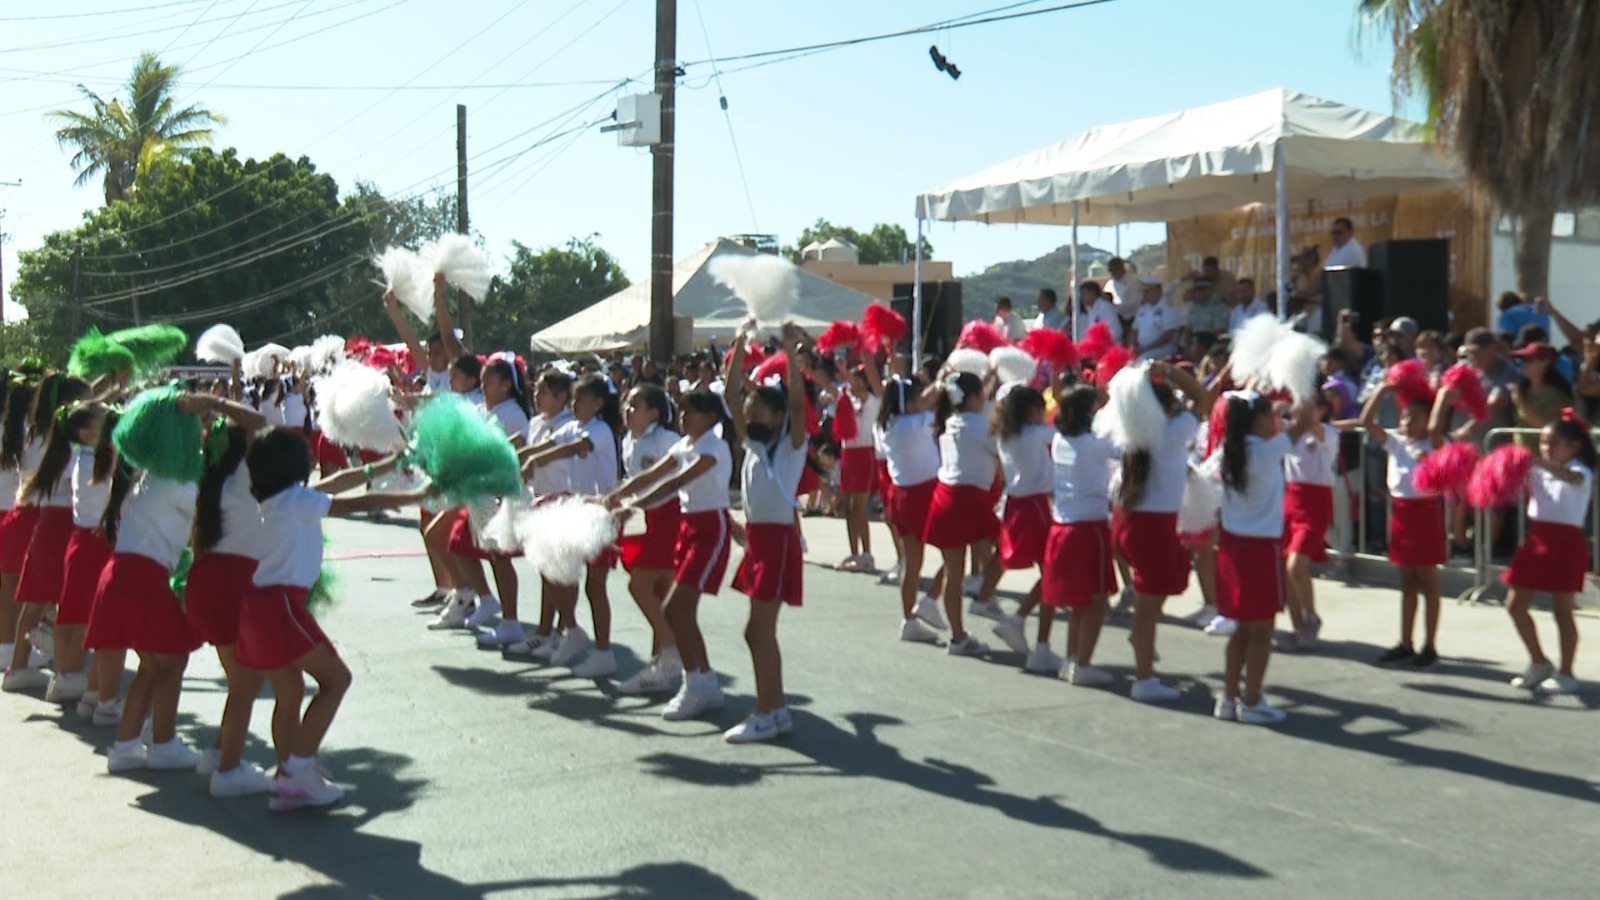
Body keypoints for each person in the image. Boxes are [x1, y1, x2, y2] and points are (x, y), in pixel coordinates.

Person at [235, 430, 428, 808]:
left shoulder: (277, 499)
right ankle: (297, 770)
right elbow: (361, 501)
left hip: (259, 606)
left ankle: (290, 775)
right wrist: (417, 495)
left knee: (289, 693)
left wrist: (389, 465)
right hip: (280, 605)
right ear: (293, 465)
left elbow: (339, 482)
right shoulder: (296, 501)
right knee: (337, 680)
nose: (312, 458)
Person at [604, 389, 734, 721]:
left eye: (691, 412)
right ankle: (703, 683)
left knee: (677, 608)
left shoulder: (714, 447)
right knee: (677, 609)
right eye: (682, 411)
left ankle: (696, 682)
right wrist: (614, 497)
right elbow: (651, 476)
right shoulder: (684, 444)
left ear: (711, 417)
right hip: (689, 528)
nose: (683, 417)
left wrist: (632, 506)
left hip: (709, 529)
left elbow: (675, 482)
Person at [721, 329, 809, 743]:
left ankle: (768, 711)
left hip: (777, 544)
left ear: (779, 418)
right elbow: (729, 395)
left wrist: (789, 352)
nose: (751, 417)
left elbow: (797, 403)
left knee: (758, 631)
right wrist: (740, 346)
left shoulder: (792, 446)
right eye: (749, 411)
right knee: (758, 631)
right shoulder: (754, 447)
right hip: (759, 542)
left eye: (760, 412)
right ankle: (774, 711)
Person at [1113, 361, 1214, 702]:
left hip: (1131, 522)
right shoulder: (1171, 434)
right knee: (1147, 608)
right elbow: (1203, 397)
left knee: (1161, 589)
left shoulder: (1132, 431)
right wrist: (1167, 371)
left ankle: (1141, 642)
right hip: (1151, 527)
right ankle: (1143, 679)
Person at [1214, 391, 1313, 725]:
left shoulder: (1228, 449)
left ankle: (1229, 698)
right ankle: (1252, 701)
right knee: (1261, 632)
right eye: (1269, 415)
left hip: (1232, 548)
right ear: (1258, 420)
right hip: (1259, 550)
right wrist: (1303, 386)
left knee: (1243, 629)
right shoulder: (1266, 450)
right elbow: (1304, 421)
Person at [521, 374, 625, 676]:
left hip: (602, 511)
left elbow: (573, 448)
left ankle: (604, 652)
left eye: (581, 400)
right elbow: (547, 445)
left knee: (595, 586)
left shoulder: (600, 430)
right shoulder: (573, 426)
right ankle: (570, 629)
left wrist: (534, 461)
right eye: (574, 399)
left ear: (598, 404)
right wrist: (518, 458)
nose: (575, 404)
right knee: (554, 569)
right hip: (578, 507)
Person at [5, 376, 93, 685]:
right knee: (61, 602)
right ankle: (63, 673)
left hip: (47, 523)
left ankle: (19, 668)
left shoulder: (44, 436)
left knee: (36, 601)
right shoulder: (70, 446)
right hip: (61, 525)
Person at [1358, 378, 1452, 669]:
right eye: (1405, 416)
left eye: (1415, 417)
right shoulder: (1397, 442)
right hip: (1401, 513)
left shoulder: (1436, 443)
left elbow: (1438, 440)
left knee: (1428, 580)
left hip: (1426, 513)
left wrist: (1440, 400)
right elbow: (1366, 422)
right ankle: (1406, 641)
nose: (1408, 422)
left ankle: (1430, 645)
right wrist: (1382, 391)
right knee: (1407, 581)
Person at [1502, 412, 1594, 695]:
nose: (1546, 449)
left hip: (1566, 543)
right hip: (1537, 538)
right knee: (1515, 604)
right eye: (1542, 443)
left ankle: (1566, 673)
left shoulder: (1581, 470)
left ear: (1574, 446)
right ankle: (1539, 661)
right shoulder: (1539, 470)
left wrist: (1538, 462)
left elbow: (1571, 478)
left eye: (1553, 443)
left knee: (1562, 612)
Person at [1042, 384, 1118, 686]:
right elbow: (1127, 451)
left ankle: (1072, 658)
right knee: (1097, 601)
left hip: (1062, 527)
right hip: (1089, 528)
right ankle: (1083, 664)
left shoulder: (1060, 439)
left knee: (1079, 601)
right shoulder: (1096, 443)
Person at [923, 371, 1001, 658]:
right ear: (974, 397)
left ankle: (958, 637)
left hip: (944, 497)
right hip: (970, 498)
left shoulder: (949, 422)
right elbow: (1003, 453)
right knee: (1008, 547)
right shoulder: (982, 426)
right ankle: (984, 597)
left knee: (953, 573)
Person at [613, 384, 684, 695]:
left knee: (639, 585)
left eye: (635, 406)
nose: (627, 411)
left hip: (674, 517)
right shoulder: (629, 442)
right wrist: (624, 510)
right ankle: (660, 665)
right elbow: (638, 487)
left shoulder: (668, 440)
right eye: (626, 405)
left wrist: (621, 502)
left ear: (654, 413)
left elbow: (667, 482)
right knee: (660, 594)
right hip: (653, 519)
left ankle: (670, 651)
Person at [989, 385, 1057, 671]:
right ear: (1032, 412)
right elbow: (1066, 433)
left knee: (1051, 574)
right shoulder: (1034, 433)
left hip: (1018, 505)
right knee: (1053, 573)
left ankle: (1031, 633)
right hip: (1034, 506)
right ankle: (1029, 632)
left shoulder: (1006, 435)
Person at [878, 376, 947, 641]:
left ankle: (908, 620)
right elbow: (935, 403)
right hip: (923, 494)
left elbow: (926, 402)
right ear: (906, 404)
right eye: (916, 399)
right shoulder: (915, 423)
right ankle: (930, 599)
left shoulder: (888, 424)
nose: (921, 403)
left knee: (912, 562)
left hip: (900, 497)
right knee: (956, 554)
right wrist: (941, 381)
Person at [1281, 392, 1339, 651]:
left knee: (1296, 565)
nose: (1299, 410)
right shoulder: (1289, 431)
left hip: (1316, 504)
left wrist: (1304, 416)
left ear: (1322, 410)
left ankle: (1312, 617)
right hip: (1290, 500)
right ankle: (1297, 627)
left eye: (1309, 407)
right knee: (1286, 567)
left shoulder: (1329, 433)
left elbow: (1313, 426)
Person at [835, 364, 882, 572]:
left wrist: (847, 372)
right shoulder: (848, 399)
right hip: (848, 453)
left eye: (854, 379)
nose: (850, 383)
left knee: (858, 507)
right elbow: (831, 389)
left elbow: (865, 391)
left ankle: (867, 554)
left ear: (864, 381)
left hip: (864, 453)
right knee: (847, 507)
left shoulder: (872, 401)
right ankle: (854, 553)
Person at [1132, 276, 1181, 360]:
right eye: (1143, 291)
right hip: (1142, 348)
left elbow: (1169, 334)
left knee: (1143, 360)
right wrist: (1133, 346)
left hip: (1162, 348)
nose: (1144, 294)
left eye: (1147, 291)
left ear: (1158, 290)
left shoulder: (1168, 307)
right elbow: (1134, 329)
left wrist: (1147, 348)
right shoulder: (1143, 308)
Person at [1185, 278, 1231, 351]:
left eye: (1204, 289)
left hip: (1210, 344)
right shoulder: (1194, 307)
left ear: (1211, 290)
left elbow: (1220, 332)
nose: (1200, 293)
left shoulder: (1218, 307)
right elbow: (1188, 330)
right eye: (1198, 290)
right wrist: (1186, 350)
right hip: (1195, 345)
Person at [1105, 257, 1141, 330]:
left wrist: (1116, 307)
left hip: (1132, 320)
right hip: (1115, 320)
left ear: (1121, 268)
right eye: (1110, 270)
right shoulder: (1110, 284)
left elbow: (1136, 302)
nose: (1112, 273)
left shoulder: (1134, 280)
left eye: (1115, 269)